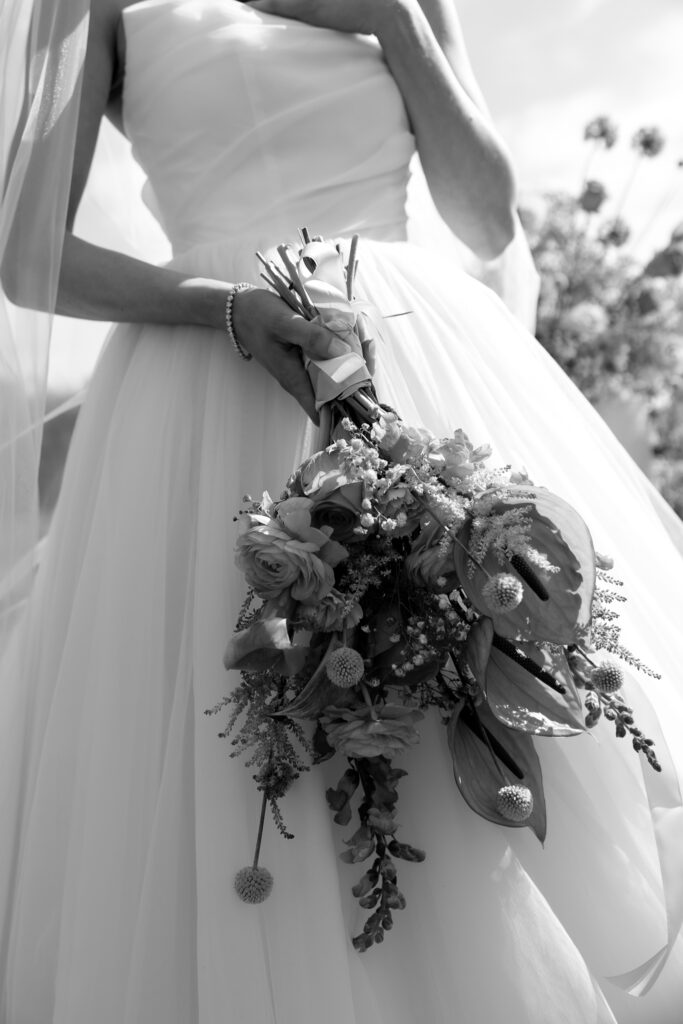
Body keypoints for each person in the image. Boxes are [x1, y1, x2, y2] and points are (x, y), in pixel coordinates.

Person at [1, 1, 682, 1021]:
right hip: (206, 373)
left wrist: (391, 21)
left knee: (481, 668)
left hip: (413, 345)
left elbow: (485, 217)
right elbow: (25, 251)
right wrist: (223, 306)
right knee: (252, 727)